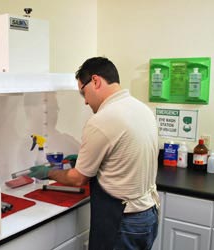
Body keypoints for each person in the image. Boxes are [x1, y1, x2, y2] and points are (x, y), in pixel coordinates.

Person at [28, 57, 159, 250]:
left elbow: (77, 179)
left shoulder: (102, 119)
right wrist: (83, 161)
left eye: (83, 92)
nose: (85, 101)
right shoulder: (142, 109)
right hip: (148, 215)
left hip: (123, 220)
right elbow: (123, 157)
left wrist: (48, 173)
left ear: (96, 81)